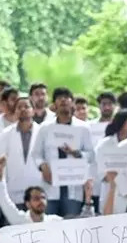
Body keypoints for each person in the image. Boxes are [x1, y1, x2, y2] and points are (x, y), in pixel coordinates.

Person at [35, 87, 95, 217]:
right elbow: (36, 154)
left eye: (66, 98)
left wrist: (76, 153)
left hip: (73, 185)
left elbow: (91, 155)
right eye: (59, 98)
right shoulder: (45, 128)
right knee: (49, 227)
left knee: (72, 226)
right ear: (54, 104)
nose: (63, 100)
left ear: (72, 103)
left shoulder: (83, 128)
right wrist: (42, 166)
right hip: (50, 186)